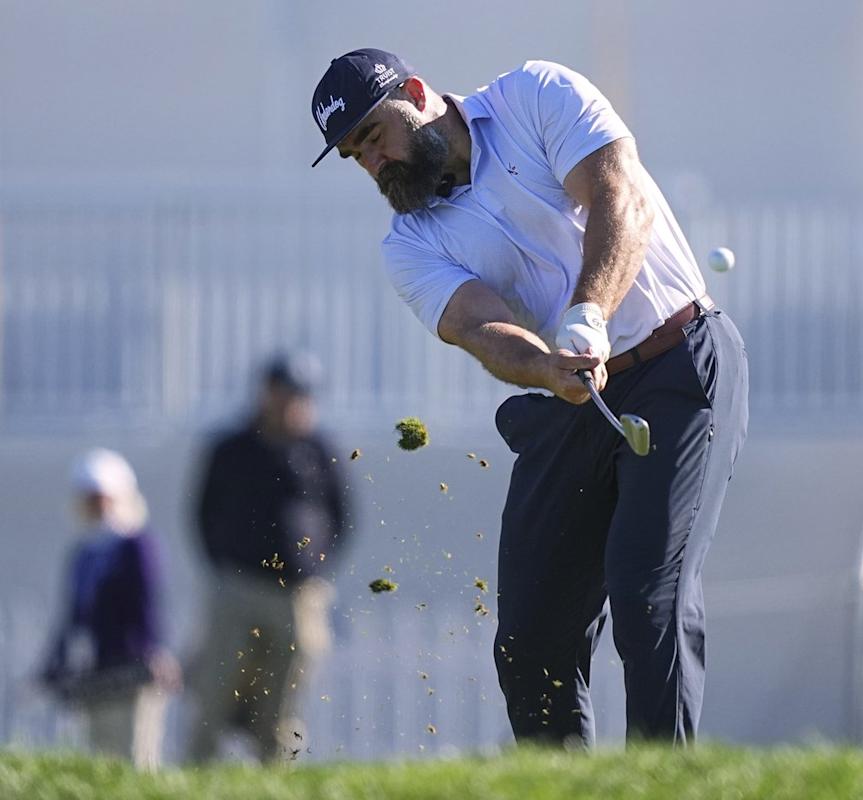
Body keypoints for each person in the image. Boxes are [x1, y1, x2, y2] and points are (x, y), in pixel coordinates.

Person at [310, 50, 749, 746]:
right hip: (568, 395)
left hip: (676, 363)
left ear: (417, 95)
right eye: (355, 155)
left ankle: (662, 783)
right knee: (531, 638)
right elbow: (479, 327)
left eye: (375, 136)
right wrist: (546, 366)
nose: (374, 163)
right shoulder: (408, 244)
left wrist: (589, 314)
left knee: (647, 595)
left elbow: (620, 198)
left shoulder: (536, 95)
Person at [186, 352, 351, 762]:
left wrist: (315, 566)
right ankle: (197, 769)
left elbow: (340, 517)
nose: (291, 403)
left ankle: (276, 775)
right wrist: (225, 567)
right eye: (284, 393)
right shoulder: (231, 449)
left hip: (297, 593)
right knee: (218, 686)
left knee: (284, 699)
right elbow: (204, 514)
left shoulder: (318, 450)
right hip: (240, 586)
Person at [40, 448, 180, 770]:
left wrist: (156, 649)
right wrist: (54, 663)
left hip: (132, 669)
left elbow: (149, 604)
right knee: (102, 757)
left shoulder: (137, 546)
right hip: (97, 672)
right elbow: (73, 616)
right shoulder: (84, 554)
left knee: (136, 755)